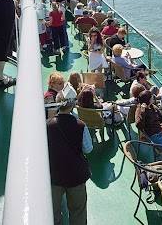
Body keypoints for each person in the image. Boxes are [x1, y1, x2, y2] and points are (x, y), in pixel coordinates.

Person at [47, 92, 93, 225]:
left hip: (54, 175)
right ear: (72, 104)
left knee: (53, 212)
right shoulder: (81, 125)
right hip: (76, 176)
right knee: (78, 211)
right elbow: (88, 149)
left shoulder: (47, 125)